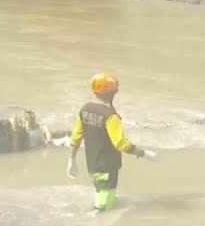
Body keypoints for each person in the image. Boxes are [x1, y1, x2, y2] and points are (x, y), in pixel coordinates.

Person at [66, 73, 156, 212]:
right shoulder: (111, 116)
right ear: (112, 93)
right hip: (108, 168)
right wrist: (143, 153)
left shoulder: (85, 109)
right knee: (103, 209)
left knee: (100, 195)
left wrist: (71, 159)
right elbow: (120, 143)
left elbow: (76, 136)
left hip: (92, 167)